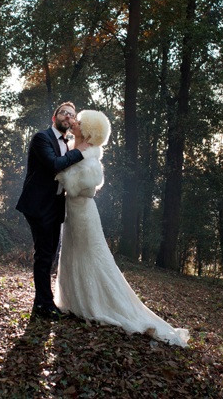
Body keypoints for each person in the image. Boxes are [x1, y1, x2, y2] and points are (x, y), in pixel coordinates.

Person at [54, 110, 189, 347]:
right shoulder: (71, 146)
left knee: (91, 257)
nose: (75, 123)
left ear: (88, 131)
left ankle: (95, 303)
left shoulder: (90, 154)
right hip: (71, 212)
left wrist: (64, 178)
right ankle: (74, 300)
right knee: (72, 254)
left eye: (80, 122)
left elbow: (87, 186)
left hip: (84, 212)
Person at [16, 102, 87, 320]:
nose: (68, 117)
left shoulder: (67, 144)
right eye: (64, 113)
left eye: (72, 115)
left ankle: (43, 302)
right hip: (38, 205)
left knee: (50, 255)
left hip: (56, 206)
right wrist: (80, 152)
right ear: (53, 118)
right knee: (44, 255)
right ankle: (43, 305)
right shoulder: (42, 138)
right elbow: (54, 163)